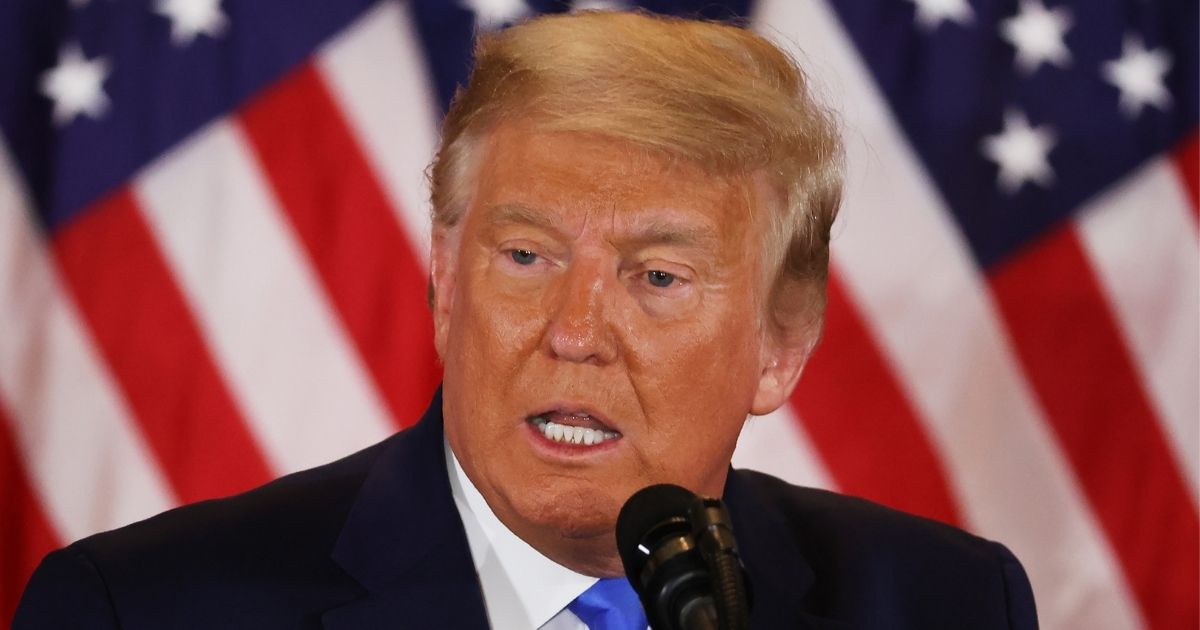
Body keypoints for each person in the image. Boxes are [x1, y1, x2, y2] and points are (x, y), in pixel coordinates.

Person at [14, 10, 1038, 630]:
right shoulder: (141, 612)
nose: (574, 329)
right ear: (446, 284)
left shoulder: (941, 604)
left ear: (779, 350)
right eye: (526, 257)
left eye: (658, 277)